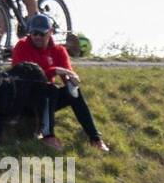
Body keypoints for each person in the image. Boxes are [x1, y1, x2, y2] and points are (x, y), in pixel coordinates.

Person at [11, 14, 109, 151]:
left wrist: (72, 79)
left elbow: (67, 72)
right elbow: (23, 78)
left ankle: (95, 138)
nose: (37, 37)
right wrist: (54, 70)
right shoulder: (21, 46)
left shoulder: (58, 50)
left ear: (50, 32)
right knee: (49, 88)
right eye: (34, 33)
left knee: (73, 91)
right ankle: (48, 136)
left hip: (46, 99)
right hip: (25, 100)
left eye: (42, 33)